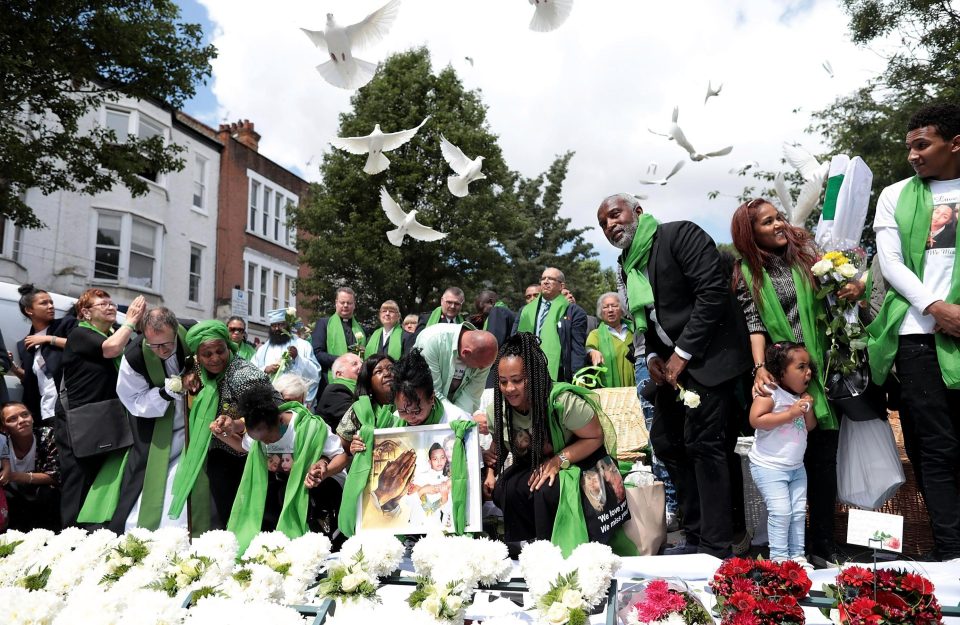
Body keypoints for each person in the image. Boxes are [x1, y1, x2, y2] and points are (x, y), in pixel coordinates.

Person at [597, 193, 752, 558]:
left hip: (710, 359)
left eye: (614, 215)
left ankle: (716, 545)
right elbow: (648, 318)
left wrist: (681, 355)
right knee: (666, 442)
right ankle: (696, 531)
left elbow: (712, 294)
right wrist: (651, 355)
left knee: (705, 445)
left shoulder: (679, 235)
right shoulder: (626, 265)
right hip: (671, 367)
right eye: (602, 223)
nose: (609, 225)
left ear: (638, 211)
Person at [731, 198, 864, 566]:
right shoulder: (746, 272)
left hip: (819, 368)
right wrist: (760, 368)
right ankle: (788, 552)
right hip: (784, 374)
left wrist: (850, 286)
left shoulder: (806, 254)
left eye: (779, 218)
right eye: (767, 222)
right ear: (750, 232)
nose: (778, 225)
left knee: (824, 461)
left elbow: (833, 299)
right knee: (790, 464)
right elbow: (754, 323)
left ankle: (823, 544)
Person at [867, 103, 960, 563]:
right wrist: (935, 307)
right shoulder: (895, 195)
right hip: (917, 336)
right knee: (935, 447)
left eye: (922, 145)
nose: (913, 156)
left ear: (955, 143)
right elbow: (891, 262)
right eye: (910, 147)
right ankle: (951, 550)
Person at [484, 333, 632, 553]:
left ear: (533, 376)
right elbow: (499, 447)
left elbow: (595, 437)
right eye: (503, 382)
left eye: (517, 380)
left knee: (546, 487)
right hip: (537, 462)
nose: (509, 389)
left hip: (581, 462)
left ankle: (551, 550)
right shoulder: (497, 410)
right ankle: (525, 546)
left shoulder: (563, 401)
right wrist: (489, 471)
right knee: (506, 487)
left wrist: (559, 460)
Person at [337, 348, 473, 537]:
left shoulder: (456, 422)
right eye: (403, 411)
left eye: (416, 410)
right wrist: (359, 447)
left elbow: (472, 474)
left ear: (431, 398)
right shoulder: (393, 422)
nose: (410, 417)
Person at [87, 307, 191, 533]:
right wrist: (166, 392)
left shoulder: (190, 332)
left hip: (192, 421)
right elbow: (132, 399)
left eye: (167, 344)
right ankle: (138, 525)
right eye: (154, 345)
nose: (161, 351)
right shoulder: (134, 355)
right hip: (155, 422)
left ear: (175, 331)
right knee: (147, 471)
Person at [220, 374, 347, 552]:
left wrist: (323, 472)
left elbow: (341, 457)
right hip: (288, 485)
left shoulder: (309, 427)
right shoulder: (259, 433)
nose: (265, 444)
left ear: (279, 420)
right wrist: (221, 434)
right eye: (259, 440)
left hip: (324, 486)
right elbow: (243, 446)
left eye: (267, 439)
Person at [168, 320, 272, 530]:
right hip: (217, 452)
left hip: (250, 454)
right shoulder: (197, 366)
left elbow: (267, 412)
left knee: (252, 515)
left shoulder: (244, 375)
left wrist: (236, 423)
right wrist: (188, 375)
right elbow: (188, 366)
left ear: (228, 346)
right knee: (221, 514)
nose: (215, 358)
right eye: (208, 354)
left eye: (220, 350)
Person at [55, 289, 146, 527]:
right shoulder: (80, 334)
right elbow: (111, 349)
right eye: (102, 304)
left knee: (100, 479)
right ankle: (69, 535)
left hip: (106, 418)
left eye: (111, 302)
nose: (110, 307)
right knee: (78, 479)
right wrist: (131, 321)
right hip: (79, 421)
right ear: (85, 313)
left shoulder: (116, 332)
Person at [748, 342, 818, 569]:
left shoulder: (801, 397)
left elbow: (809, 427)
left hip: (797, 467)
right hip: (769, 466)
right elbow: (757, 419)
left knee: (798, 512)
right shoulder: (770, 392)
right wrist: (791, 412)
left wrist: (807, 409)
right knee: (780, 511)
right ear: (781, 372)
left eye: (808, 367)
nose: (808, 372)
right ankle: (778, 559)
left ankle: (797, 556)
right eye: (800, 367)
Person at [14, 284, 77, 423]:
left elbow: (80, 345)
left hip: (70, 406)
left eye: (51, 302)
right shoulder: (24, 344)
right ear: (29, 310)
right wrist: (13, 367)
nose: (51, 306)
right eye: (44, 303)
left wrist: (48, 339)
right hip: (45, 410)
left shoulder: (66, 324)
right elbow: (29, 379)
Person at [513, 267, 588, 383]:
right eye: (543, 278)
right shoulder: (525, 311)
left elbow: (577, 348)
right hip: (527, 370)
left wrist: (577, 376)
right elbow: (514, 340)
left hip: (558, 373)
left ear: (561, 286)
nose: (545, 281)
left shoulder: (574, 312)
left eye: (551, 279)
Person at [414, 321, 498, 414]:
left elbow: (471, 395)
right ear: (466, 353)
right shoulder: (432, 341)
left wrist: (460, 419)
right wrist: (454, 417)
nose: (482, 369)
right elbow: (432, 392)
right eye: (480, 366)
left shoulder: (485, 356)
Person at [1, 402, 60, 531]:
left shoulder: (48, 435)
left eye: (25, 415)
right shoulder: (2, 444)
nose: (21, 421)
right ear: (4, 428)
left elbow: (56, 475)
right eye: (12, 419)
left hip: (44, 499)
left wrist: (14, 476)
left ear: (32, 418)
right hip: (12, 502)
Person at [252, 309, 321, 406]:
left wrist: (297, 358)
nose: (277, 329)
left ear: (288, 325)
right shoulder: (262, 350)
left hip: (294, 401)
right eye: (274, 326)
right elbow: (251, 371)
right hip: (269, 402)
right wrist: (265, 369)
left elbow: (315, 374)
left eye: (281, 325)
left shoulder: (303, 345)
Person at [335, 354, 396, 449]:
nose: (387, 373)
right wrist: (353, 447)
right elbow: (340, 446)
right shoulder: (360, 409)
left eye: (391, 369)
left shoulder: (410, 404)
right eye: (378, 371)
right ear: (368, 383)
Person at [312, 287, 365, 393]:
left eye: (349, 303)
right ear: (336, 303)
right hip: (329, 380)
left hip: (355, 381)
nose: (345, 305)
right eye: (342, 302)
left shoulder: (361, 329)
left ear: (354, 305)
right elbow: (318, 353)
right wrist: (343, 361)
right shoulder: (324, 324)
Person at [585, 292, 636, 388]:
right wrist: (592, 352)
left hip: (639, 385)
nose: (610, 310)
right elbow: (589, 348)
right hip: (611, 393)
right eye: (605, 307)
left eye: (614, 306)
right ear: (601, 312)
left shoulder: (635, 330)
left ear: (622, 309)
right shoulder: (596, 334)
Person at [315, 353, 362, 430]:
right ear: (339, 374)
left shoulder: (361, 389)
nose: (361, 366)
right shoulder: (335, 391)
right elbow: (357, 420)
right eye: (354, 364)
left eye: (362, 363)